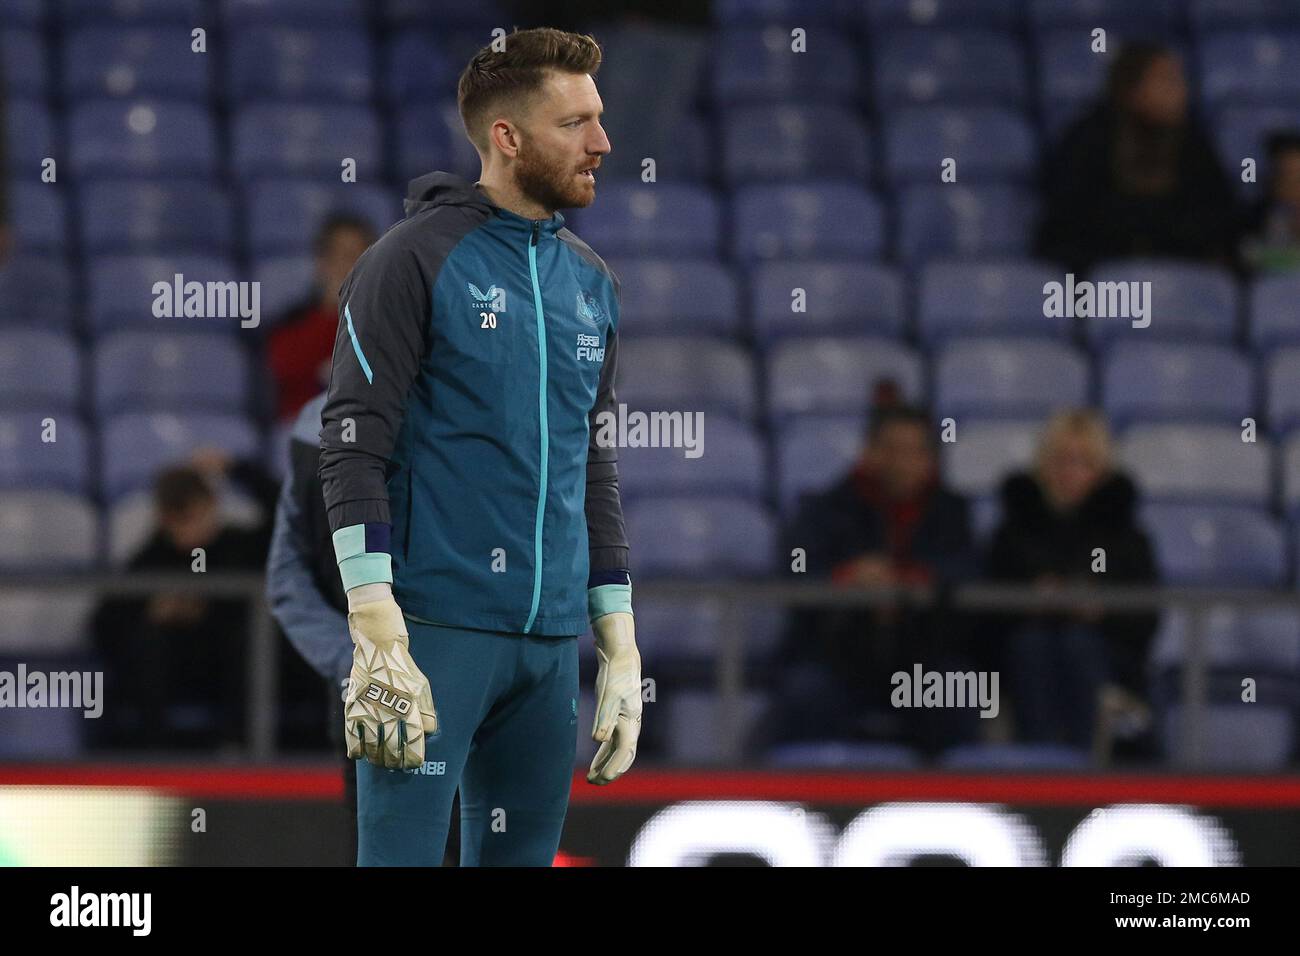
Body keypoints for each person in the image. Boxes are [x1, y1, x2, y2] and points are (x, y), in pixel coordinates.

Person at [318, 27, 641, 867]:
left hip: (548, 648)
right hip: (430, 635)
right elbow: (352, 442)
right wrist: (374, 621)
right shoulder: (409, 261)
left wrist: (617, 631)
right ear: (508, 137)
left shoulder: (592, 282)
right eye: (576, 123)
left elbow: (590, 461)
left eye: (599, 120)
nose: (602, 143)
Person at [267, 391, 462, 865]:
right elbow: (287, 577)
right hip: (417, 692)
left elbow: (287, 579)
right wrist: (358, 661)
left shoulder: (313, 425)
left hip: (413, 689)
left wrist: (359, 663)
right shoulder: (309, 434)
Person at [749, 396, 979, 759]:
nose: (900, 462)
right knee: (805, 693)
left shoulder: (952, 512)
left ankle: (951, 803)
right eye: (890, 449)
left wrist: (907, 582)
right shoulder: (824, 507)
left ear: (929, 459)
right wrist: (850, 578)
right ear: (869, 452)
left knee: (958, 694)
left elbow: (967, 572)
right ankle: (800, 801)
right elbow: (797, 572)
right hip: (836, 656)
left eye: (912, 451)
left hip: (921, 656)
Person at [986, 410, 1159, 753]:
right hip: (1023, 648)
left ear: (1101, 470)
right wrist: (1032, 601)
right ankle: (1038, 768)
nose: (1070, 472)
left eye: (1083, 462)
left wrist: (1101, 610)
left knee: (1078, 645)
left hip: (1105, 654)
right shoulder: (1013, 532)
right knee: (1031, 646)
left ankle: (1083, 768)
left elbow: (1146, 619)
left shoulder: (1127, 537)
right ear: (1042, 465)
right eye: (1061, 460)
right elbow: (984, 615)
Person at [90, 450, 279, 751]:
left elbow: (289, 513)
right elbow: (103, 622)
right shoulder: (153, 556)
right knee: (148, 641)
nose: (186, 530)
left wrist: (236, 468)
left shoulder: (239, 545)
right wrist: (153, 613)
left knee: (255, 635)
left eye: (193, 516)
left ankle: (238, 747)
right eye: (176, 521)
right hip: (176, 669)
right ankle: (154, 753)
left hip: (231, 667)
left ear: (212, 505)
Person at [1036, 42, 1241, 275]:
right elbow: (1066, 225)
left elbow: (1219, 216)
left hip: (1178, 278)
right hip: (1100, 278)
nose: (1180, 91)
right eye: (1166, 81)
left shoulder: (1194, 143)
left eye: (1179, 81)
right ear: (1131, 89)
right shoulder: (1089, 139)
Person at [264, 214, 377, 423]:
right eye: (342, 257)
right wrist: (335, 314)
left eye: (360, 257)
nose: (349, 268)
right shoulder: (291, 328)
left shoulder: (390, 330)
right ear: (322, 263)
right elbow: (285, 384)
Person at [1243, 131, 1300, 273]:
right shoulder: (1254, 217)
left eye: (1298, 178)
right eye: (1285, 176)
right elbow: (1247, 255)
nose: (1292, 186)